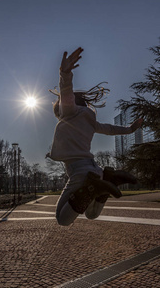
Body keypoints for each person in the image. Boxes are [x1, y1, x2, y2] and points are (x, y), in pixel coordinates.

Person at [47, 47, 143, 226]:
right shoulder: (90, 121)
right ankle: (105, 183)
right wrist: (130, 129)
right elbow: (110, 129)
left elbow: (66, 92)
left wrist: (64, 73)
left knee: (62, 219)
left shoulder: (69, 113)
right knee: (91, 214)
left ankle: (94, 187)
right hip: (94, 170)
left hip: (80, 171)